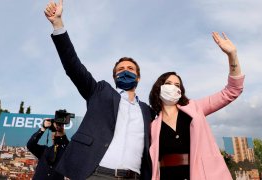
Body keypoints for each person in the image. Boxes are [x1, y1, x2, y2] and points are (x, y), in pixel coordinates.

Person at [44, 1, 155, 179]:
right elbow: (73, 66)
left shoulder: (148, 111)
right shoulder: (100, 92)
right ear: (114, 77)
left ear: (138, 77)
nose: (125, 71)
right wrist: (58, 24)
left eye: (130, 69)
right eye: (120, 69)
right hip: (95, 174)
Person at [149, 32, 245, 180]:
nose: (173, 87)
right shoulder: (152, 124)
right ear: (158, 88)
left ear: (181, 91)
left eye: (177, 85)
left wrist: (232, 55)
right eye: (168, 84)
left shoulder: (195, 108)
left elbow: (232, 91)